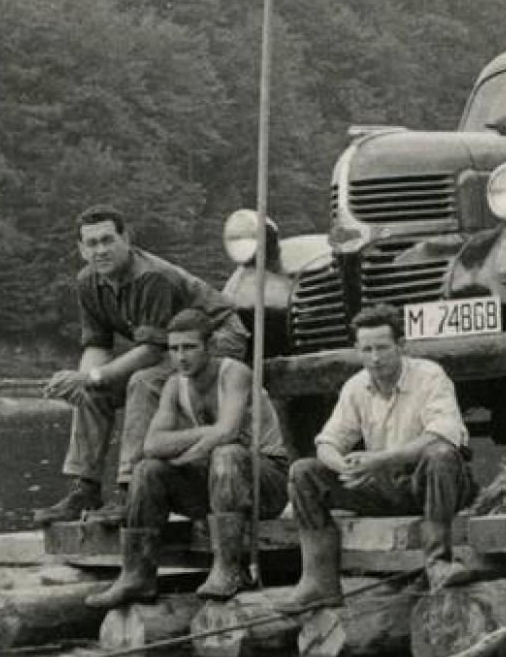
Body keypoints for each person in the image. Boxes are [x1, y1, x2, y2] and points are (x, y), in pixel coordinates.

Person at [34, 206, 248, 527]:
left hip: (217, 338)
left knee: (144, 382)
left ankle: (129, 488)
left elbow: (149, 352)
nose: (101, 250)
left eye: (108, 240)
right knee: (93, 391)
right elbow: (97, 345)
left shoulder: (151, 277)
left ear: (126, 239)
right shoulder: (87, 283)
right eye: (91, 244)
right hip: (170, 344)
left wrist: (91, 376)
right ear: (81, 250)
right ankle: (85, 487)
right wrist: (85, 380)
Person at [86, 308, 289, 609]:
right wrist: (203, 439)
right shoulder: (173, 384)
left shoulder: (234, 373)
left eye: (190, 347)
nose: (181, 357)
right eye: (174, 349)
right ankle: (138, 575)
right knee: (148, 470)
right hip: (214, 481)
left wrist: (197, 445)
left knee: (227, 453)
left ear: (209, 347)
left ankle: (229, 568)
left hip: (264, 483)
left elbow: (228, 431)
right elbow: (152, 444)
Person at [279, 304, 478, 610]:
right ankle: (319, 581)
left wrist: (381, 459)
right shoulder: (355, 386)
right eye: (367, 349)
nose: (375, 357)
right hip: (386, 485)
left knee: (440, 454)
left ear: (401, 346)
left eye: (383, 348)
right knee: (304, 472)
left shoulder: (430, 376)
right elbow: (327, 443)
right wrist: (345, 465)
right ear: (357, 350)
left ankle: (438, 563)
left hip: (436, 483)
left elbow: (442, 435)